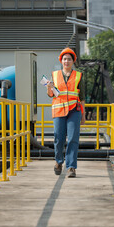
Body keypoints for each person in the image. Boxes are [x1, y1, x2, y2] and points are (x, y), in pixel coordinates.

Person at [46, 48, 86, 178]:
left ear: (73, 61)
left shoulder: (79, 76)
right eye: (64, 59)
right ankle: (58, 162)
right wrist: (49, 87)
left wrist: (83, 115)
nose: (67, 61)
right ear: (61, 61)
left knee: (73, 139)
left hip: (74, 110)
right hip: (59, 110)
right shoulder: (55, 75)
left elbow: (83, 97)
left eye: (69, 59)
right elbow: (51, 95)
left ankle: (71, 167)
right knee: (59, 139)